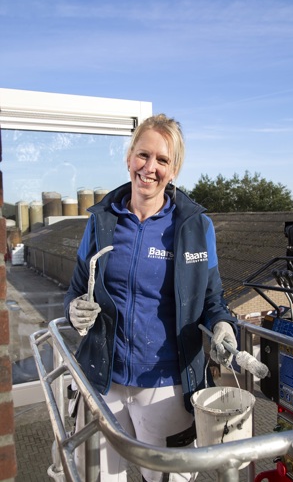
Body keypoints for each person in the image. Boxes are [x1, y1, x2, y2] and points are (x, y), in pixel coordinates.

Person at [64, 113, 238, 482]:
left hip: (165, 387)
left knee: (165, 479)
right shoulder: (99, 221)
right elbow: (78, 288)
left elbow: (211, 300)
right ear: (129, 159)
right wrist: (74, 309)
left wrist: (222, 324)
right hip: (103, 378)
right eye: (143, 155)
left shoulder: (195, 228)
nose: (150, 167)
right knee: (95, 477)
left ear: (173, 171)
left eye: (162, 160)